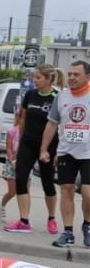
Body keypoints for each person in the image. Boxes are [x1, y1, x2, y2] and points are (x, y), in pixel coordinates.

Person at [3, 64, 61, 233]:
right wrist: (17, 145)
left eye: (38, 78)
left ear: (49, 79)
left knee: (47, 183)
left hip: (49, 146)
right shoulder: (30, 95)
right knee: (20, 178)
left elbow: (61, 125)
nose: (34, 81)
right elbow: (22, 120)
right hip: (28, 143)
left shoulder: (57, 97)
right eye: (34, 77)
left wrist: (58, 152)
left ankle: (51, 218)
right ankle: (24, 220)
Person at [39, 60, 90, 248]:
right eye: (70, 74)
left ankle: (87, 226)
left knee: (88, 193)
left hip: (88, 153)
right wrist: (44, 149)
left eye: (76, 74)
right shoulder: (61, 97)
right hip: (66, 151)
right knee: (66, 190)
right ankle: (68, 232)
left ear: (87, 76)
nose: (71, 78)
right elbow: (52, 123)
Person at [0, 117, 20, 223]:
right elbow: (9, 149)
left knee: (24, 192)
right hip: (12, 163)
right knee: (12, 192)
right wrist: (13, 161)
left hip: (25, 163)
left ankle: (24, 218)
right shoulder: (12, 131)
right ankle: (1, 206)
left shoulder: (30, 131)